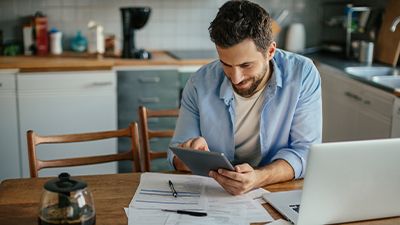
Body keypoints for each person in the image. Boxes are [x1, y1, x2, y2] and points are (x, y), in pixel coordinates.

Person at [167, 0, 322, 195]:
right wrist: (190, 154)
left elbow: (307, 153)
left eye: (246, 65)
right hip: (215, 194)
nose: (235, 77)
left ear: (270, 52)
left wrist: (259, 177)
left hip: (275, 190)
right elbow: (175, 156)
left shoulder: (302, 74)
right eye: (226, 64)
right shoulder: (199, 83)